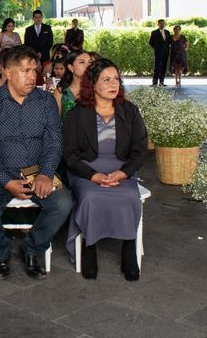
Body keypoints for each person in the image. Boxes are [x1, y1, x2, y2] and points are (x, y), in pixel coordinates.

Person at [0, 46, 73, 280]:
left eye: (33, 70)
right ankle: (0, 252)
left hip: (37, 169)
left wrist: (46, 174)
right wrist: (7, 181)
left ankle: (32, 248)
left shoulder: (45, 101)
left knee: (64, 203)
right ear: (7, 72)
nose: (32, 76)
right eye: (25, 71)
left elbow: (54, 144)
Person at [63, 59, 147, 281]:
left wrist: (124, 173)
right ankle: (89, 246)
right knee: (90, 197)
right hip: (87, 171)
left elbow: (140, 150)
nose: (113, 84)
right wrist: (93, 176)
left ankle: (129, 249)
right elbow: (70, 156)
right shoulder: (77, 114)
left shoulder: (130, 111)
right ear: (92, 84)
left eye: (116, 79)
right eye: (107, 80)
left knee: (130, 195)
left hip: (121, 170)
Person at [54, 50, 92, 118]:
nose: (88, 65)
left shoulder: (96, 89)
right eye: (82, 62)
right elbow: (55, 122)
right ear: (71, 67)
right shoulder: (61, 91)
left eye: (90, 62)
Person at [148, 19, 171, 87]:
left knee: (164, 67)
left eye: (163, 23)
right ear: (158, 24)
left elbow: (169, 42)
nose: (162, 24)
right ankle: (154, 82)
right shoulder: (154, 32)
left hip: (166, 53)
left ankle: (161, 82)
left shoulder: (167, 32)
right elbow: (150, 42)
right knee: (157, 67)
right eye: (161, 23)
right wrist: (156, 48)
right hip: (158, 53)